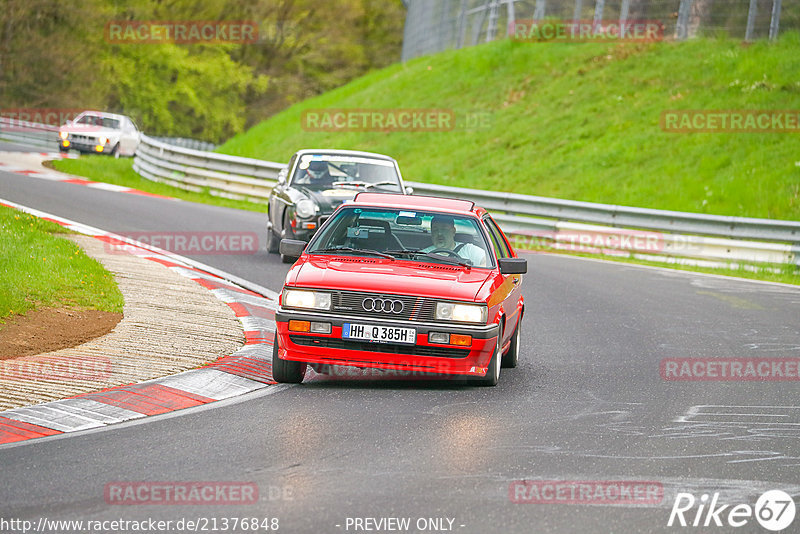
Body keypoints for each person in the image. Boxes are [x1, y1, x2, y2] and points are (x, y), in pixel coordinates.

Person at [423, 215, 488, 267]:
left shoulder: (468, 249)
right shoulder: (423, 254)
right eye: (435, 229)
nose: (439, 233)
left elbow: (488, 261)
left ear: (453, 231)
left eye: (444, 229)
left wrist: (472, 273)